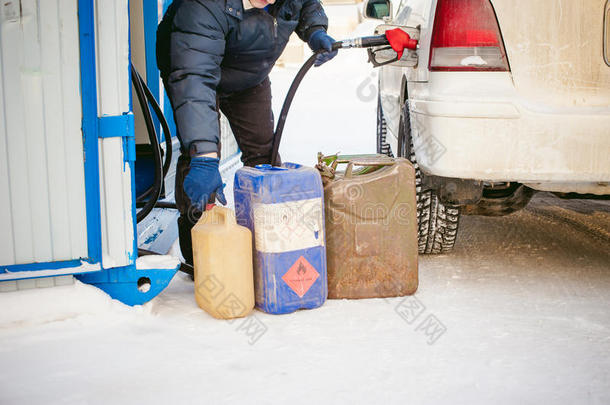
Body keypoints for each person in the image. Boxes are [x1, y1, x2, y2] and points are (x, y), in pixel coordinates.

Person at [156, 0, 337, 266]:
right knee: (200, 156)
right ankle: (200, 251)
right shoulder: (202, 7)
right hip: (194, 68)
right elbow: (194, 82)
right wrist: (204, 157)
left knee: (265, 155)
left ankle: (269, 244)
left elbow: (305, 3)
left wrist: (315, 30)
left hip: (249, 72)